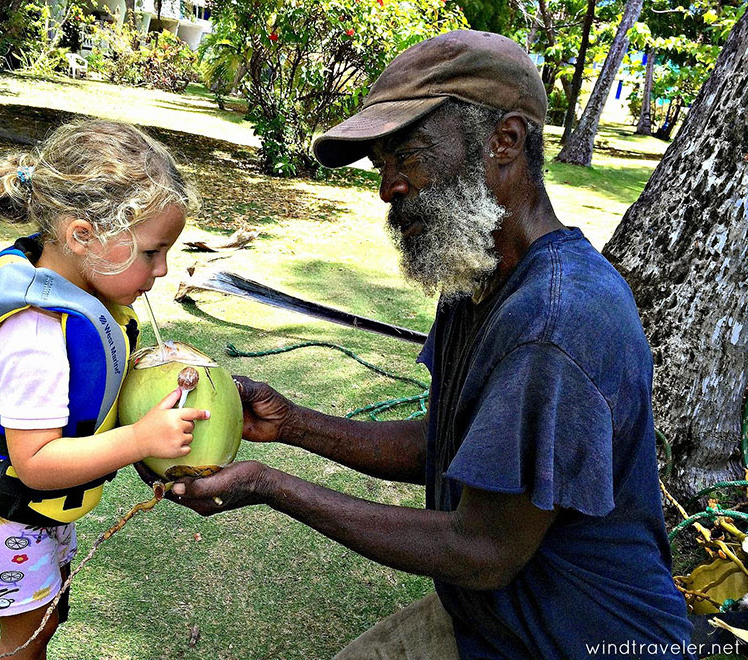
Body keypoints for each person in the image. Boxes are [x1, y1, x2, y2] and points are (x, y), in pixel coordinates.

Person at [162, 31, 696, 659]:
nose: (388, 188)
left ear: (506, 142)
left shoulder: (555, 321)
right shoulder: (475, 278)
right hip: (487, 624)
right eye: (380, 166)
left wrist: (270, 487)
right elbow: (446, 444)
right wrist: (292, 424)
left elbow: (484, 550)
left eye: (408, 156)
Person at [0, 119, 209, 660]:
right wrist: (141, 440)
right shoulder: (35, 333)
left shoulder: (76, 288)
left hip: (33, 513)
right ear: (83, 235)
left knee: (48, 618)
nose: (162, 271)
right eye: (152, 253)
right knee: (25, 644)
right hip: (2, 516)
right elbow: (35, 461)